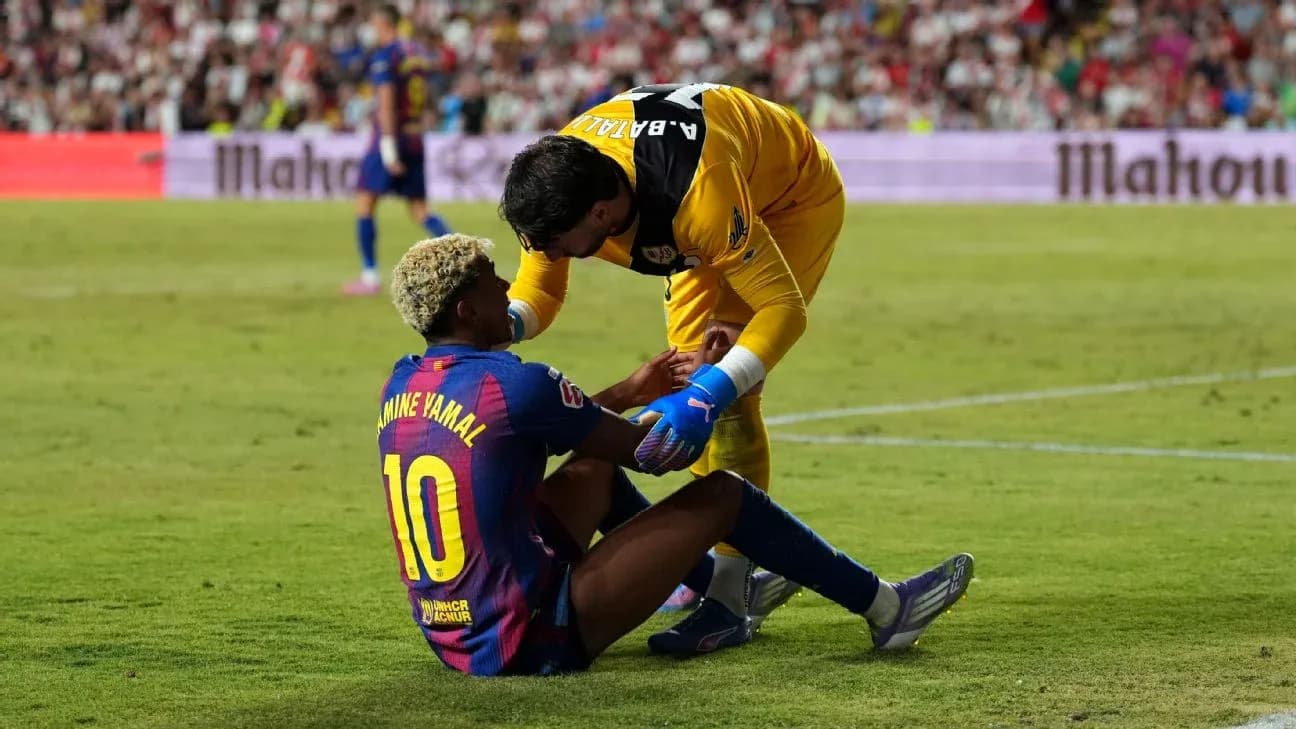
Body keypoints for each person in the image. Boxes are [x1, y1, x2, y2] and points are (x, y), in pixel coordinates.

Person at [377, 235, 974, 677]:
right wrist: (706, 388)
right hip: (526, 635)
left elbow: (540, 428)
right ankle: (889, 608)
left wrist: (636, 391)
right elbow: (656, 454)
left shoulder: (403, 382)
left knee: (592, 471)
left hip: (451, 626)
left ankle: (722, 588)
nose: (508, 288)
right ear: (467, 310)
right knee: (723, 496)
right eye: (491, 280)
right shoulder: (516, 383)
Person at [499, 82, 847, 653]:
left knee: (732, 393)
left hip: (787, 198)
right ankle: (716, 561)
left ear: (602, 212)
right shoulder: (561, 178)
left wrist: (712, 392)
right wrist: (493, 329)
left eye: (558, 242)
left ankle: (731, 597)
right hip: (700, 207)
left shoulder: (695, 196)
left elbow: (782, 310)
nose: (548, 251)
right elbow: (537, 292)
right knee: (691, 377)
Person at [343, 4, 452, 296]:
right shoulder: (415, 56)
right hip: (415, 136)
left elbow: (387, 104)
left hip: (392, 137)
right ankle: (463, 258)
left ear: (382, 23)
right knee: (419, 210)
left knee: (365, 203)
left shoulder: (386, 57)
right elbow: (426, 93)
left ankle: (369, 276)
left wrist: (388, 148)